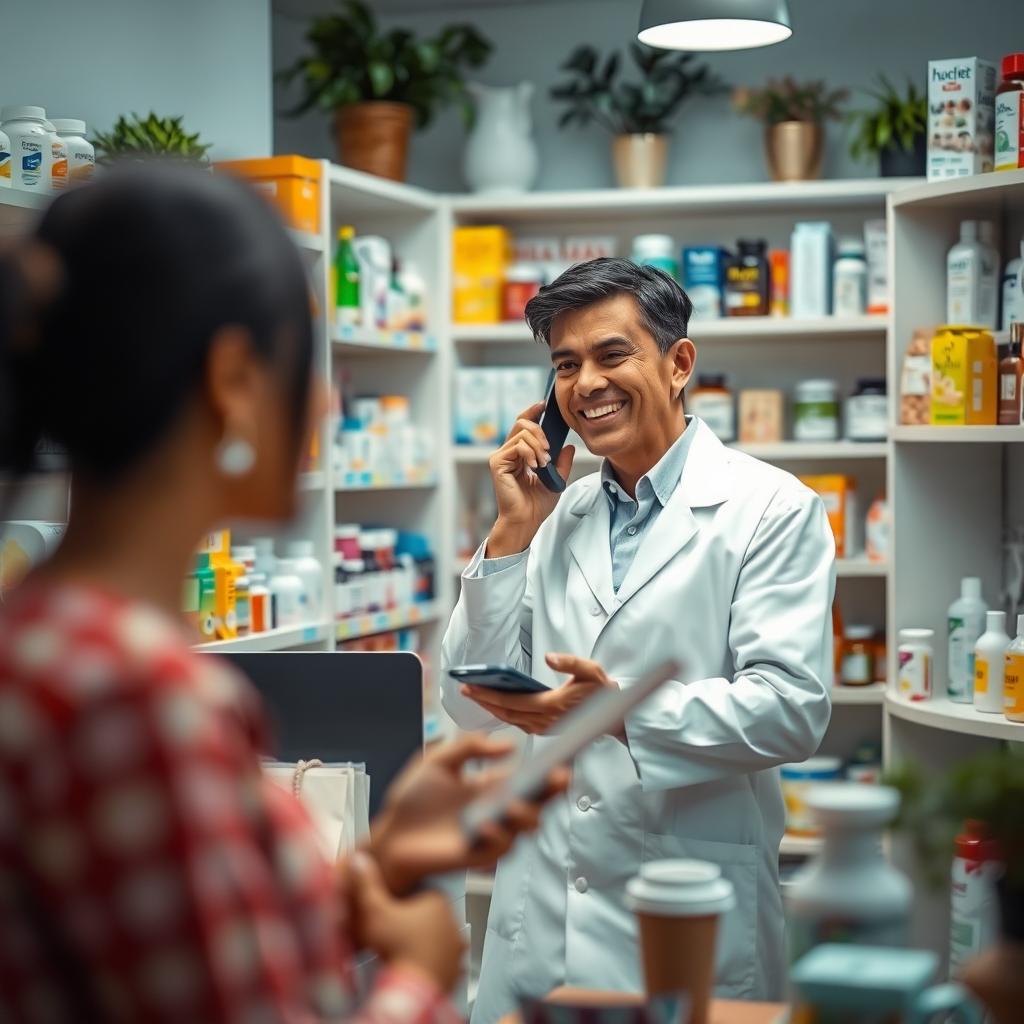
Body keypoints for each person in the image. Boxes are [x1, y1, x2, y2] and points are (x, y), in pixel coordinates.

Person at [0, 164, 564, 1022]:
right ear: (233, 381)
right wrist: (420, 971)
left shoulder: (51, 641)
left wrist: (384, 862)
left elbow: (181, 956)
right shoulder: (133, 697)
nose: (325, 399)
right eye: (308, 354)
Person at [441, 258, 835, 1023]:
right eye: (565, 364)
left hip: (686, 910)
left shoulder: (771, 509)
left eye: (611, 355)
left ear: (678, 362)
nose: (586, 384)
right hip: (543, 917)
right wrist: (514, 530)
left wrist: (618, 711)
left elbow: (792, 708)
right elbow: (471, 702)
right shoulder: (556, 513)